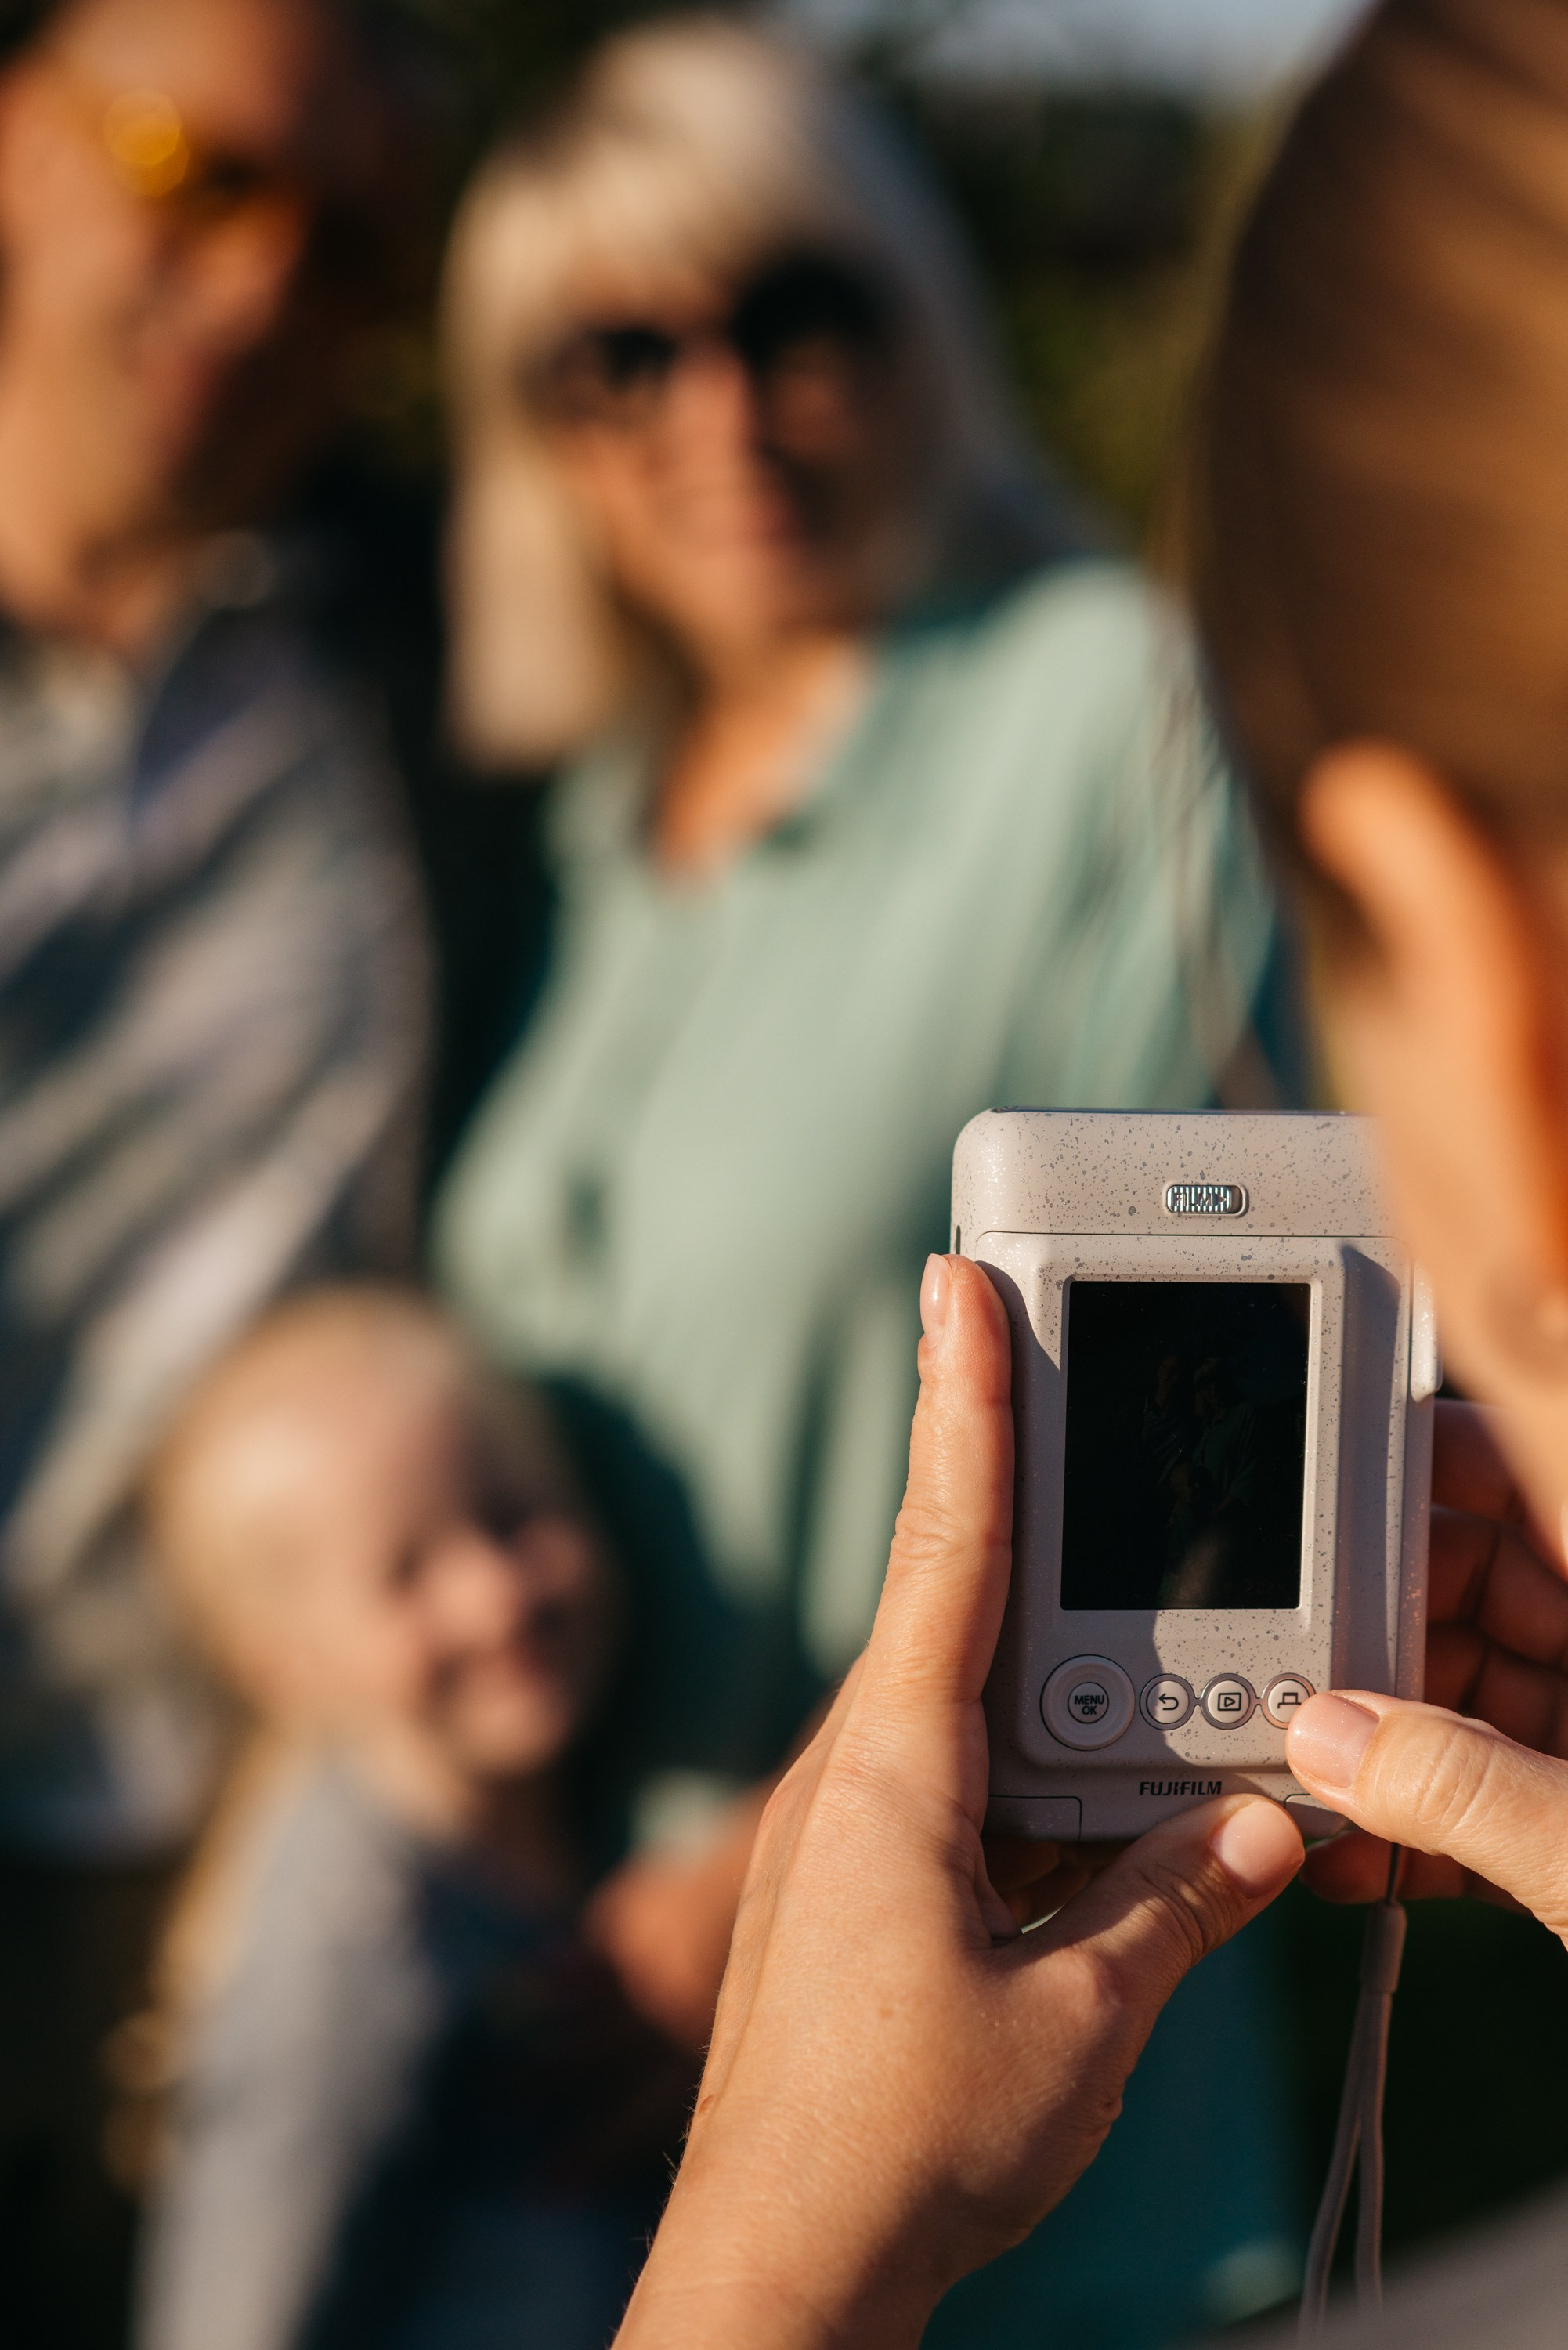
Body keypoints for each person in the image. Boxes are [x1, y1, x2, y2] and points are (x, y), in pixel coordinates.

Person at [588, 0, 1568, 2340]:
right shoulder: (596, 821)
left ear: (1453, 954)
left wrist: (775, 2245)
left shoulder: (1049, 709)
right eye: (611, 353)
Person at [435, 22, 1303, 2336]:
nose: (715, 414)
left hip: (990, 2055)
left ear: (914, 309)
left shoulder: (1102, 713)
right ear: (530, 429)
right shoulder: (600, 830)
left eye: (786, 316)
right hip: (597, 2097)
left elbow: (1195, 1439)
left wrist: (754, 1886)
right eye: (618, 354)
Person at [0, 0, 443, 2337]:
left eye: (353, 240)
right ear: (21, 146)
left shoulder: (414, 654)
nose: (269, 280)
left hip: (215, 1875)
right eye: (202, 170)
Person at [134, 1288, 692, 2350]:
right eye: (407, 1572)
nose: (493, 1596)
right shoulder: (346, 1949)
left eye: (510, 1515)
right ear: (279, 1661)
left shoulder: (556, 1833)